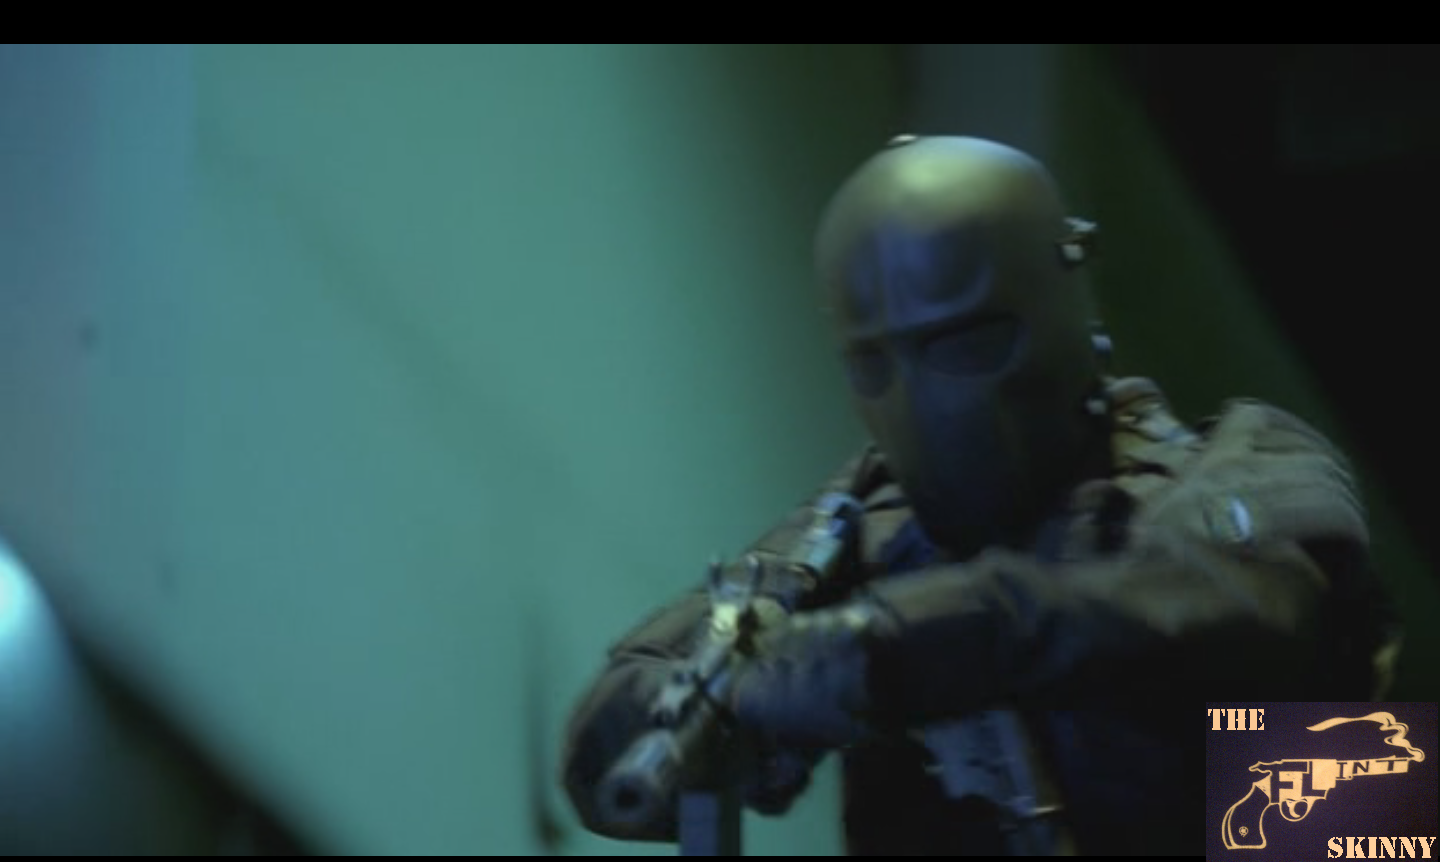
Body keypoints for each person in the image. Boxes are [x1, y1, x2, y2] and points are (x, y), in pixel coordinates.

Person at [560, 135, 1398, 855]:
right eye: (876, 362)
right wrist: (731, 700)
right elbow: (612, 743)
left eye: (966, 341)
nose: (926, 398)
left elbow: (1241, 613)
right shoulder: (862, 530)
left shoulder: (1244, 466)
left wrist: (891, 649)